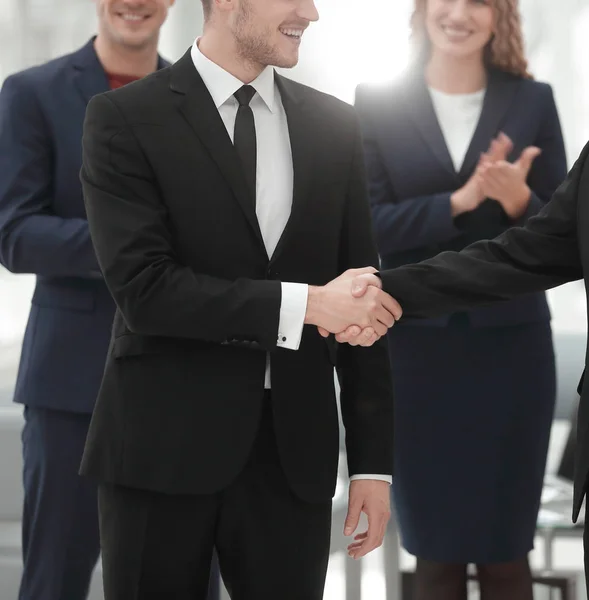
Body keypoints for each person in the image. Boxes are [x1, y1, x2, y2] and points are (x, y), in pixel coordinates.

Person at [78, 0, 400, 598]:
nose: (312, 13)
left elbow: (361, 299)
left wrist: (372, 466)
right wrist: (305, 305)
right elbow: (145, 291)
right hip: (160, 451)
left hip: (292, 458)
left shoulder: (336, 127)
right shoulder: (124, 117)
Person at [351, 0, 567, 597]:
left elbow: (567, 235)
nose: (460, 13)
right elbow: (364, 226)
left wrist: (520, 201)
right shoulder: (375, 100)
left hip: (512, 350)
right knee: (436, 554)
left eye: (480, 2)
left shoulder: (533, 99)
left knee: (505, 554)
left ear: (500, 18)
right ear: (422, 10)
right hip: (416, 353)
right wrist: (460, 201)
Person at [343, 138, 589, 592]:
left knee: (506, 555)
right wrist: (386, 289)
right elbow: (526, 252)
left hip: (511, 363)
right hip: (422, 362)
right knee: (435, 554)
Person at [0, 2, 175, 599]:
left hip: (185, 379)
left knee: (183, 579)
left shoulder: (203, 99)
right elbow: (15, 234)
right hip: (70, 384)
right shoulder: (31, 92)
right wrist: (133, 249)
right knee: (54, 582)